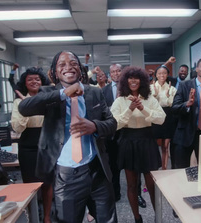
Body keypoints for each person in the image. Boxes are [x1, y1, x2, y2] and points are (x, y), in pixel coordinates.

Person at [18, 51, 117, 223]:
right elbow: (24, 108)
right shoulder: (47, 93)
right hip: (66, 175)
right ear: (55, 72)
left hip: (96, 170)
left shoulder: (94, 93)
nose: (68, 67)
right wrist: (64, 93)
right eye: (61, 65)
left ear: (80, 69)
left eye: (73, 63)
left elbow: (112, 123)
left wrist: (94, 126)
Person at [110, 66, 165, 223]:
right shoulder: (120, 101)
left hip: (147, 141)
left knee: (152, 185)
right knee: (132, 185)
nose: (133, 80)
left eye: (137, 78)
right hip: (128, 142)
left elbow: (161, 119)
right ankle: (137, 218)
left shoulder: (149, 99)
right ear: (125, 81)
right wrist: (130, 109)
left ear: (142, 81)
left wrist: (143, 108)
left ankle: (158, 217)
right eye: (130, 78)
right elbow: (114, 124)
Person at [10, 67, 53, 223]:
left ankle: (47, 217)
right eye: (30, 79)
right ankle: (34, 216)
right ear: (25, 83)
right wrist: (26, 106)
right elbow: (17, 128)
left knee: (48, 182)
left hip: (47, 144)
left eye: (37, 79)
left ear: (42, 82)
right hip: (27, 145)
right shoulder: (18, 102)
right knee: (30, 184)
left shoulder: (48, 98)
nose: (34, 82)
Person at [171, 57, 201, 169]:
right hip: (185, 134)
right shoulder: (184, 85)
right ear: (196, 69)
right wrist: (187, 104)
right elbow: (174, 108)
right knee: (181, 170)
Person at [102, 63, 123, 202]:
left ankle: (138, 193)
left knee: (131, 165)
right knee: (113, 165)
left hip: (127, 131)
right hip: (111, 132)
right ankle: (115, 193)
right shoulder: (104, 90)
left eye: (118, 71)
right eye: (113, 72)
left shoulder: (130, 87)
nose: (116, 74)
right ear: (110, 74)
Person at [151, 65, 177, 170]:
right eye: (159, 73)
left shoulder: (172, 89)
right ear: (156, 75)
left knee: (165, 146)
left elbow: (172, 104)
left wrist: (167, 96)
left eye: (164, 73)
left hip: (168, 116)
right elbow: (150, 104)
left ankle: (164, 168)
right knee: (153, 145)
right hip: (155, 116)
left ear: (167, 75)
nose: (162, 75)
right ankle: (154, 168)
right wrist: (155, 95)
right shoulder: (150, 88)